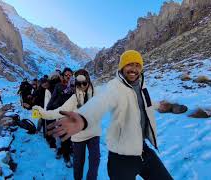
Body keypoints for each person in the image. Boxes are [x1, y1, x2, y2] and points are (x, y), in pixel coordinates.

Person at [47, 50, 173, 180]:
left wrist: (160, 106)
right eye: (130, 64)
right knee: (81, 162)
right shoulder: (114, 87)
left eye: (137, 65)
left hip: (143, 151)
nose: (134, 69)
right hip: (121, 158)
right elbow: (101, 102)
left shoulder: (141, 86)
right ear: (122, 66)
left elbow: (144, 103)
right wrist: (83, 117)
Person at [33, 69, 100, 180]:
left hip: (94, 133)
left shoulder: (97, 93)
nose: (82, 85)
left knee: (95, 161)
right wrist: (43, 113)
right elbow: (59, 110)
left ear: (88, 80)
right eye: (79, 83)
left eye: (84, 82)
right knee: (78, 162)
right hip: (78, 135)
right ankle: (66, 156)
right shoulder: (73, 97)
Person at [46, 67, 75, 167]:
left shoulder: (74, 86)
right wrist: (48, 110)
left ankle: (68, 150)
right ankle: (66, 156)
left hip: (72, 115)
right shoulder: (58, 86)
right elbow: (53, 98)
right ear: (62, 76)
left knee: (71, 136)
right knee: (64, 136)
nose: (68, 77)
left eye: (70, 75)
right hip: (62, 114)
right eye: (66, 75)